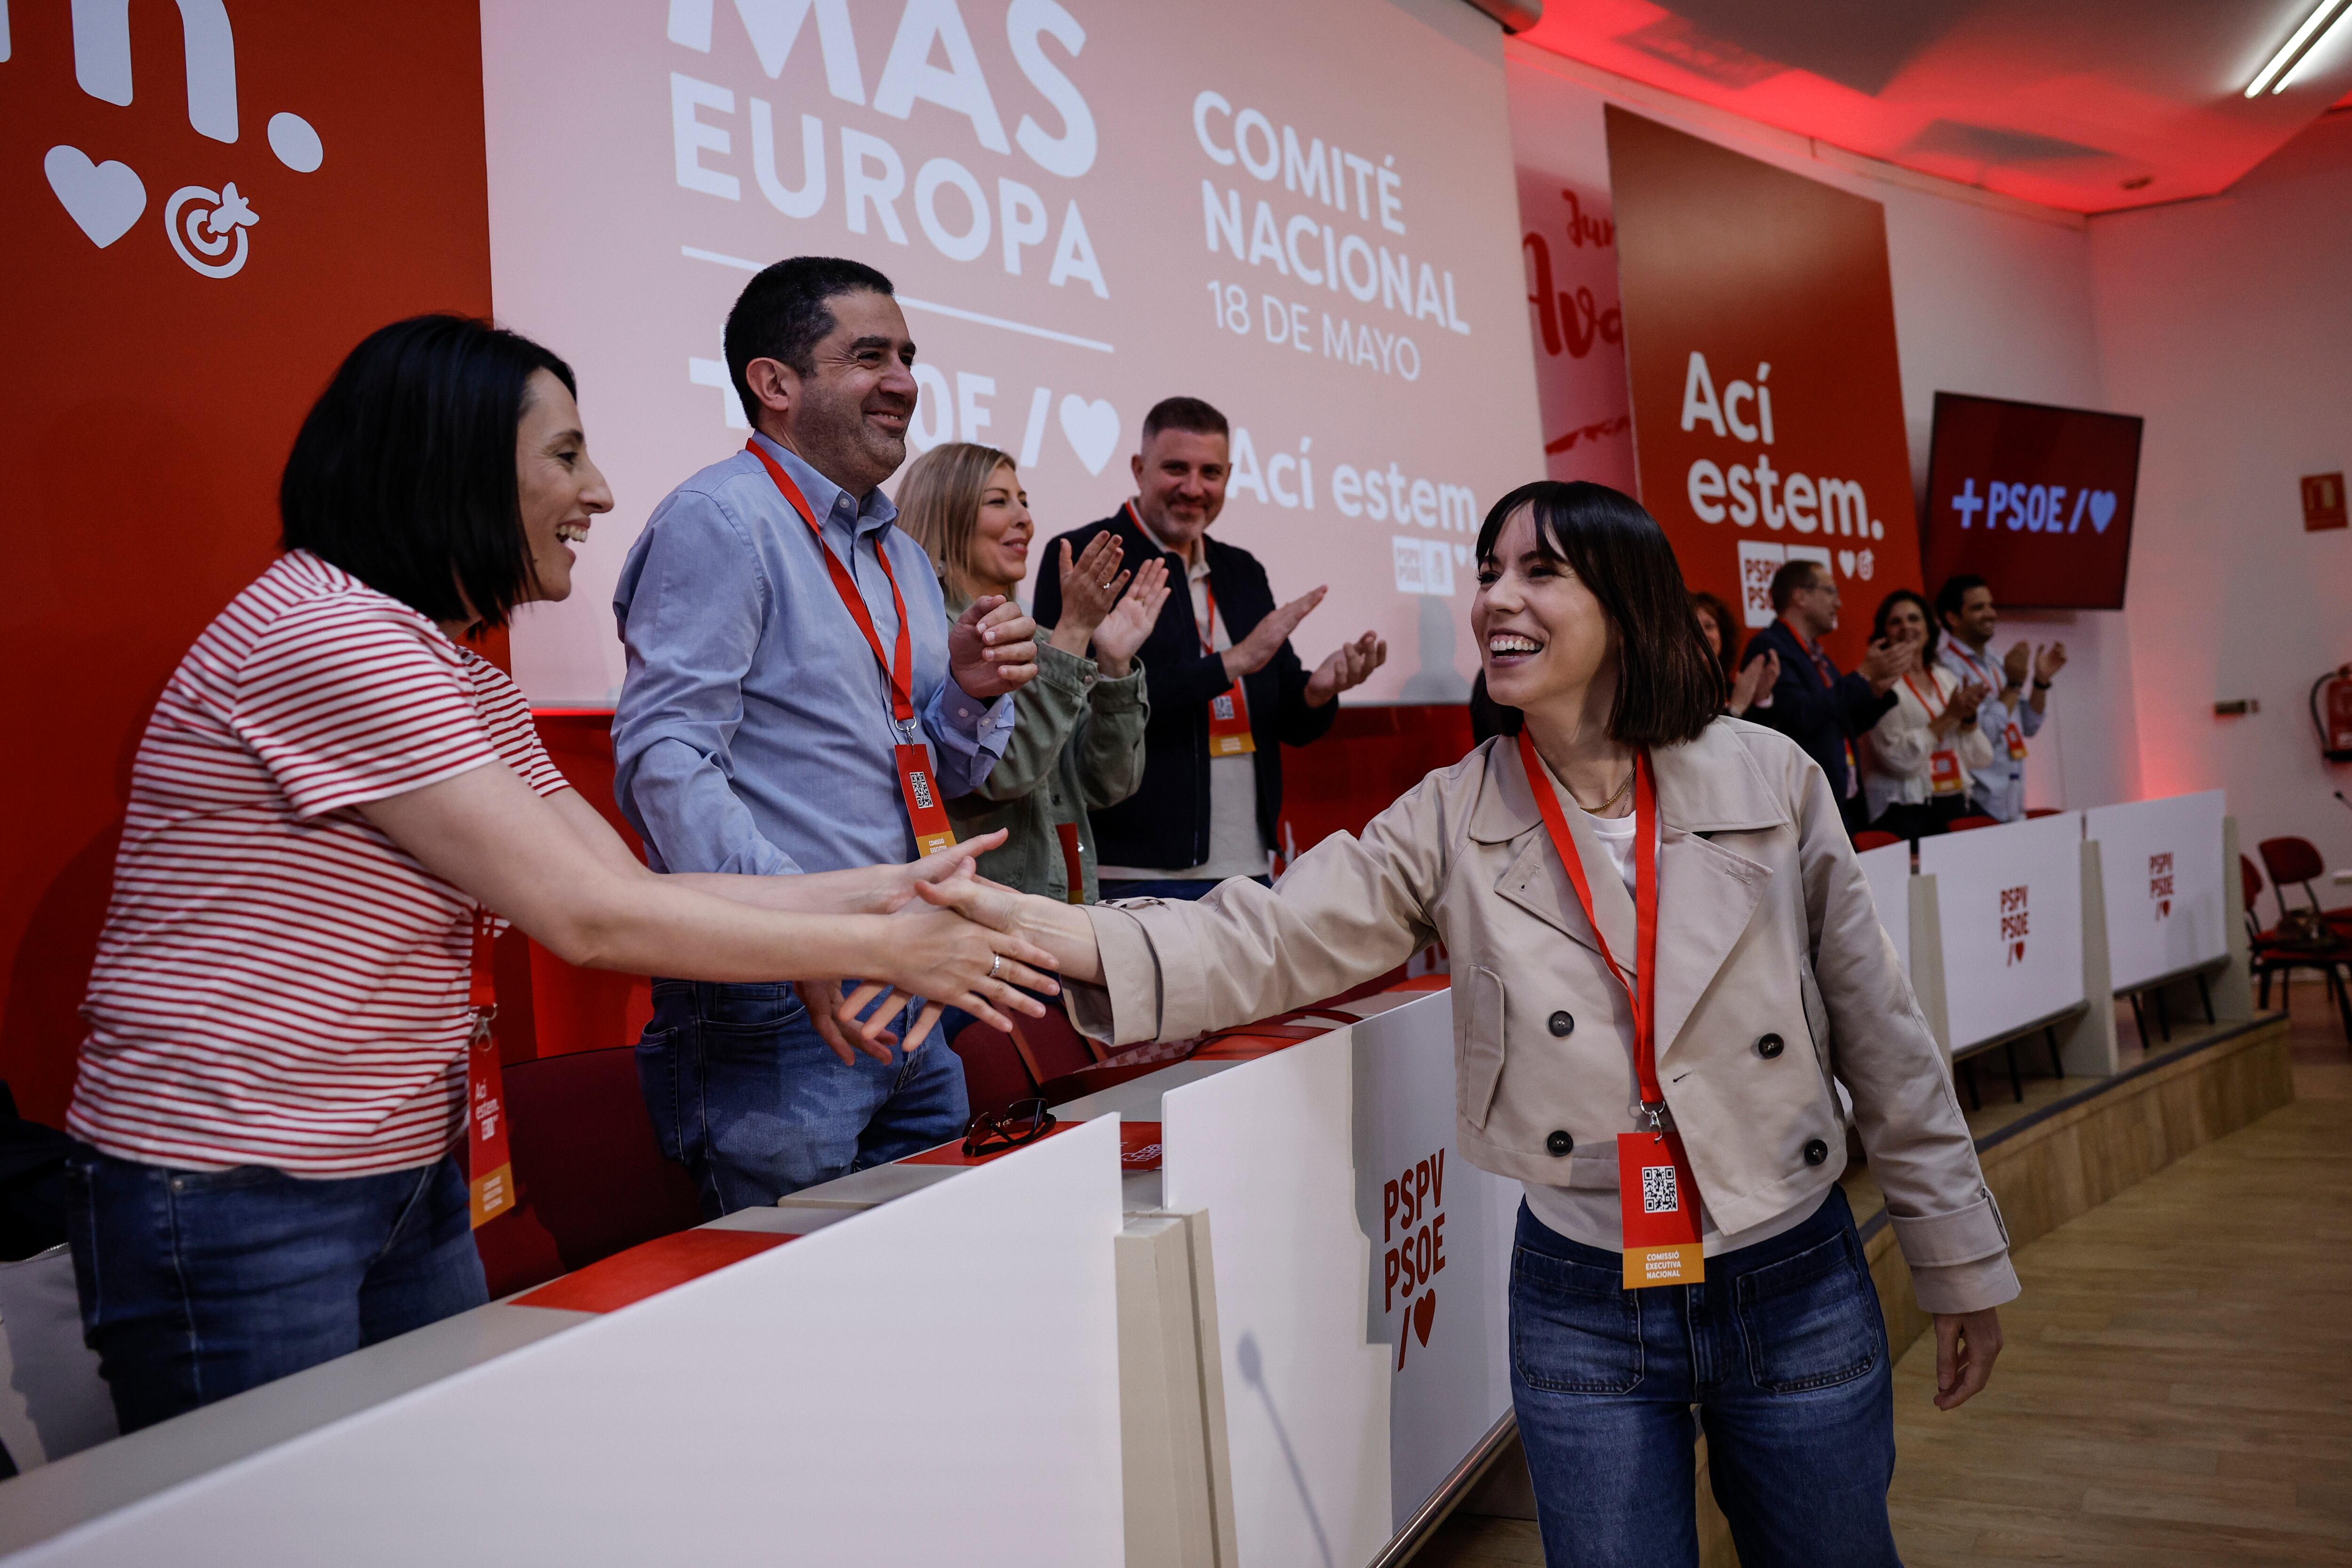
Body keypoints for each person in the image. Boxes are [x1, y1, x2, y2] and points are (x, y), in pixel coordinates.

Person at [942, 481, 2014, 1567]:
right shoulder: (1455, 811)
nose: (1496, 596)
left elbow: (1881, 1028)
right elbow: (1259, 940)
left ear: (1627, 603)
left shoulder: (1768, 774)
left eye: (1539, 571)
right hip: (1586, 1297)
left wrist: (1956, 1255)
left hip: (1795, 1275)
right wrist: (1031, 927)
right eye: (1488, 571)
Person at [63, 316, 1054, 1432]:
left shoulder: (458, 672)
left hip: (399, 1173)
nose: (600, 491)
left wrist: (885, 895)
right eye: (567, 454)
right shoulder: (332, 636)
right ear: (455, 456)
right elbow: (586, 918)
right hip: (246, 1182)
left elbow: (632, 882)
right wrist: (875, 941)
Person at [610, 258, 1046, 1214]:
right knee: (797, 1316)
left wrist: (968, 695)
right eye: (868, 355)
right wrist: (799, 932)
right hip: (780, 999)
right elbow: (667, 763)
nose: (903, 380)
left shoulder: (896, 552)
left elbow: (941, 766)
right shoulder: (721, 520)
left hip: (911, 973)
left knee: (933, 1278)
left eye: (907, 356)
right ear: (775, 384)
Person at [1031, 397, 1387, 900]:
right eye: (1175, 468)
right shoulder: (1086, 556)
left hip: (1247, 864)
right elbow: (1078, 706)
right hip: (1130, 865)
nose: (1193, 489)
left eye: (1210, 472)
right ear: (1138, 469)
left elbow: (1287, 719)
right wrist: (1231, 663)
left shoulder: (1241, 570)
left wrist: (1317, 691)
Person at [895, 441, 1168, 902]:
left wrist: (1116, 668)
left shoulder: (1045, 639)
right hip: (978, 908)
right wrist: (1075, 629)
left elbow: (1107, 785)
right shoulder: (919, 635)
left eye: (1023, 501)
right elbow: (1003, 773)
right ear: (945, 512)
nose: (1024, 518)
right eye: (998, 501)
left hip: (1063, 905)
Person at [1741, 558, 1915, 837]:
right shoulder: (1770, 647)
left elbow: (1840, 726)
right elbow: (1798, 718)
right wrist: (1863, 674)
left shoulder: (1817, 656)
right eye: (1830, 591)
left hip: (1841, 806)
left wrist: (1876, 690)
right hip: (1805, 810)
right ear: (1800, 596)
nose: (1839, 603)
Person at [1860, 589, 1992, 842]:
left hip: (1953, 797)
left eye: (1914, 619)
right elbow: (1899, 761)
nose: (1906, 627)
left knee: (1999, 841)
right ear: (1884, 633)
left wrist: (1968, 719)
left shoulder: (1945, 678)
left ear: (1929, 629)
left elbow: (1981, 758)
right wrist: (1948, 717)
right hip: (1904, 808)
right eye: (1896, 622)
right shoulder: (1880, 685)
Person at [1933, 574, 2068, 822]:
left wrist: (2041, 681)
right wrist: (2015, 684)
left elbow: (2029, 724)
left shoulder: (1995, 661)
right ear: (1952, 618)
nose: (1991, 614)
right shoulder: (1945, 668)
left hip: (2013, 801)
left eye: (1990, 605)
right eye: (1978, 608)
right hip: (1976, 804)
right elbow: (1983, 735)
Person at [1689, 589, 1776, 718]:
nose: (1702, 635)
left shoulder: (1733, 690)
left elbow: (1757, 736)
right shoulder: (1678, 693)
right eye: (1693, 628)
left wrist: (1762, 699)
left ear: (1723, 635)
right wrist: (1735, 709)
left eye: (1709, 626)